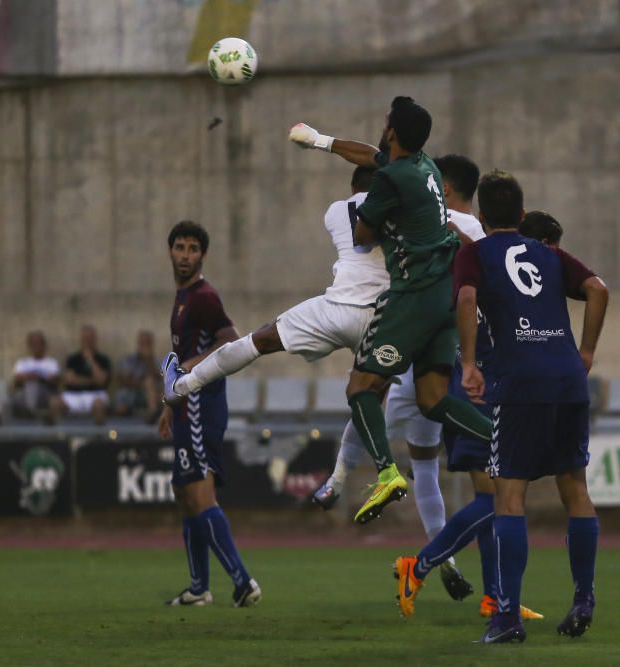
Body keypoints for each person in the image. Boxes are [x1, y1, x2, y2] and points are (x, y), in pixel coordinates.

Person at [161, 165, 472, 591]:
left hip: (337, 309)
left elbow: (361, 232)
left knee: (258, 342)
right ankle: (378, 474)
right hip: (389, 319)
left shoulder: (334, 211)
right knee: (373, 396)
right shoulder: (421, 211)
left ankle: (184, 384)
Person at [399, 171, 608, 644]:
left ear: (484, 215)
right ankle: (584, 599)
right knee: (575, 487)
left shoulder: (474, 254)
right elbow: (598, 288)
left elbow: (468, 296)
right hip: (567, 379)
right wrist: (588, 351)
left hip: (519, 382)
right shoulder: (550, 254)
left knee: (508, 496)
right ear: (520, 213)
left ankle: (506, 616)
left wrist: (469, 363)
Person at [289, 96, 494, 524]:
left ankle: (381, 474)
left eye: (386, 122)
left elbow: (363, 233)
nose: (382, 126)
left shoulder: (390, 182)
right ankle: (502, 440)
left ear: (394, 131)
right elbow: (371, 155)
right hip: (444, 309)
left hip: (413, 301)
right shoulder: (426, 169)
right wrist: (320, 141)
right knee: (433, 403)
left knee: (362, 389)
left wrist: (379, 213)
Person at [392, 207, 570, 622]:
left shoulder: (497, 272)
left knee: (492, 501)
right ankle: (417, 566)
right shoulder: (499, 270)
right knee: (497, 500)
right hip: (479, 396)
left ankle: (495, 596)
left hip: (485, 392)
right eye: (549, 251)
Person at [158, 221, 261, 608]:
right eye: (179, 247)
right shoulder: (183, 297)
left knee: (200, 493)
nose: (185, 255)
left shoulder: (203, 296)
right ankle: (199, 588)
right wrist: (170, 406)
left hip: (202, 405)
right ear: (170, 252)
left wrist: (191, 371)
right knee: (183, 492)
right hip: (187, 406)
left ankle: (242, 581)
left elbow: (231, 339)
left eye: (192, 248)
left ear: (202, 255)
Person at [49, 325, 111, 425]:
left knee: (99, 405)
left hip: (95, 395)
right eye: (85, 338)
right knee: (55, 403)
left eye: (90, 338)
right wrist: (92, 380)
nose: (87, 341)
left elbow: (101, 381)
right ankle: (59, 436)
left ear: (94, 339)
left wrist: (90, 360)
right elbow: (70, 380)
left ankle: (99, 437)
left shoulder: (103, 359)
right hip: (73, 395)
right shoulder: (73, 359)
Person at [8, 331, 60, 420]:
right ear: (29, 346)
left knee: (33, 385)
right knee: (6, 404)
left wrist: (36, 377)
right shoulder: (22, 363)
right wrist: (33, 377)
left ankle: (31, 414)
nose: (36, 347)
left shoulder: (51, 362)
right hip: (24, 394)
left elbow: (54, 379)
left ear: (44, 345)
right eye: (33, 344)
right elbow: (17, 378)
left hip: (45, 393)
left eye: (39, 343)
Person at [114, 330, 161, 420]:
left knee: (149, 382)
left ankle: (153, 413)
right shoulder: (129, 360)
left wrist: (148, 360)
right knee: (121, 403)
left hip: (147, 395)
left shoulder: (155, 361)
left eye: (147, 343)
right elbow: (122, 379)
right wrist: (140, 383)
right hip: (129, 392)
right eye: (142, 343)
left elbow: (158, 379)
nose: (144, 346)